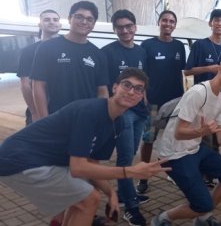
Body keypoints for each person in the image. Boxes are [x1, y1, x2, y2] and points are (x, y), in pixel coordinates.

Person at [0, 68, 169, 226]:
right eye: (127, 85)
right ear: (115, 87)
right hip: (18, 159)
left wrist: (111, 193)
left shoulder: (118, 122)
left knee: (81, 198)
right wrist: (130, 171)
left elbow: (91, 162)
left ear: (141, 97)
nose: (131, 91)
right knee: (89, 199)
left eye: (138, 89)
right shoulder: (91, 111)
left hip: (43, 159)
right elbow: (78, 167)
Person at [152, 54, 221, 226]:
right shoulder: (198, 93)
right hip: (174, 155)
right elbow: (178, 133)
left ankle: (203, 218)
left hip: (194, 149)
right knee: (202, 204)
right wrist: (200, 131)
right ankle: (162, 219)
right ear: (220, 69)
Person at [101, 9, 149, 226]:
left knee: (129, 156)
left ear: (135, 27)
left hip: (139, 112)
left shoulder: (140, 52)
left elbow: (142, 82)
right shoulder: (107, 52)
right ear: (115, 30)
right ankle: (131, 207)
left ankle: (122, 194)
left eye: (128, 26)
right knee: (125, 159)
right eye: (120, 27)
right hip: (123, 113)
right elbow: (103, 87)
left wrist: (146, 106)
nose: (125, 30)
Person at [30, 0, 109, 118]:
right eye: (79, 17)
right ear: (69, 19)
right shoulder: (47, 47)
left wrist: (101, 118)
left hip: (87, 118)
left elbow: (102, 91)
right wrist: (44, 119)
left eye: (89, 19)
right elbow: (38, 85)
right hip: (56, 118)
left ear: (93, 24)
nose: (84, 22)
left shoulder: (98, 54)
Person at [137, 10, 186, 194]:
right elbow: (140, 74)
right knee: (149, 139)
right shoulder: (148, 45)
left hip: (175, 103)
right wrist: (144, 97)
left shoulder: (180, 46)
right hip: (154, 104)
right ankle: (143, 177)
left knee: (173, 139)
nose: (168, 24)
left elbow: (184, 73)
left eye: (172, 21)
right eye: (165, 20)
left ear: (175, 25)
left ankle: (172, 173)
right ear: (159, 22)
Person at [184, 9, 221, 178]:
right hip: (201, 100)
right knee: (203, 138)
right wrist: (209, 68)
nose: (220, 23)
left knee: (217, 138)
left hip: (218, 101)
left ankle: (211, 174)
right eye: (216, 20)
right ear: (210, 23)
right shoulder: (200, 45)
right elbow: (188, 71)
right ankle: (201, 174)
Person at [16, 9, 61, 125]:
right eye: (47, 19)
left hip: (64, 108)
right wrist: (35, 112)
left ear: (60, 25)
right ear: (39, 24)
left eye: (55, 19)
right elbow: (25, 84)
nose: (51, 22)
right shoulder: (28, 51)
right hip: (39, 109)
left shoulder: (69, 48)